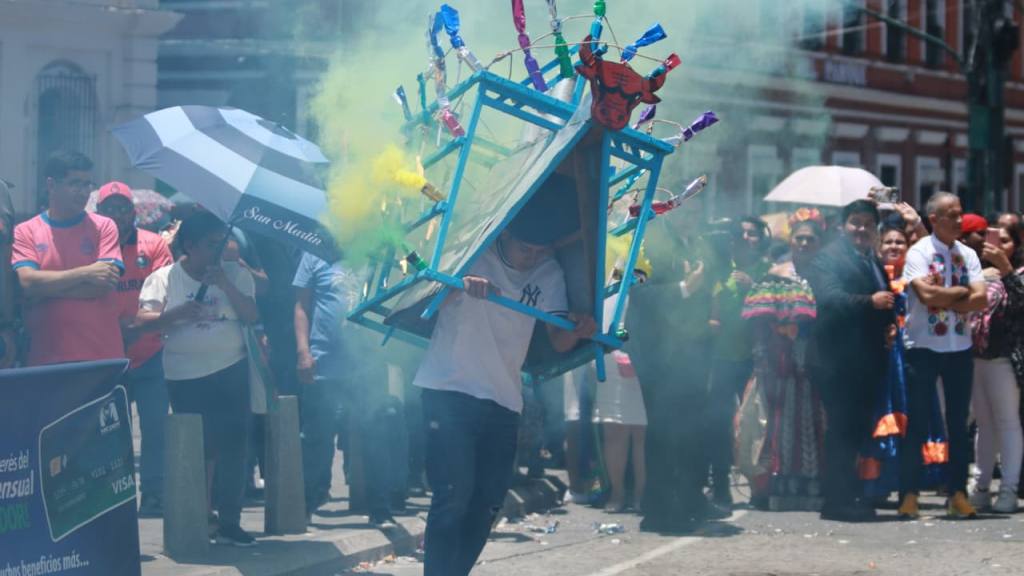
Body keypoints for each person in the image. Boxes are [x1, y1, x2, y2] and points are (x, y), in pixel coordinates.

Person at [414, 173, 596, 576]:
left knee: (488, 503)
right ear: (507, 231)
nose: (531, 257)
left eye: (539, 250)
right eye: (524, 247)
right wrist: (457, 284)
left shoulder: (549, 273)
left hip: (504, 400)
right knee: (452, 496)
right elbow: (422, 294)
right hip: (449, 389)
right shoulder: (472, 250)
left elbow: (558, 339)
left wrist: (578, 331)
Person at [137, 211, 259, 546]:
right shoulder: (164, 278)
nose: (220, 251)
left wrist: (225, 284)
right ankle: (201, 514)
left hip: (231, 368)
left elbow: (251, 314)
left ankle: (231, 520)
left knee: (234, 445)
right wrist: (175, 315)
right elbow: (143, 321)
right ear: (189, 246)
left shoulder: (235, 273)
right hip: (185, 375)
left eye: (223, 243)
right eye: (211, 244)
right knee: (200, 448)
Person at [897, 193, 987, 519]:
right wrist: (961, 293)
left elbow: (979, 300)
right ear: (933, 218)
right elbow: (925, 293)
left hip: (959, 348)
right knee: (918, 422)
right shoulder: (919, 252)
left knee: (958, 424)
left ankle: (958, 493)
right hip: (923, 347)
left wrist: (948, 297)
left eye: (961, 214)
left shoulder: (968, 255)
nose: (959, 221)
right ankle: (909, 493)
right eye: (952, 215)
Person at [805, 199, 894, 522]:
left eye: (869, 224)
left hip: (865, 361)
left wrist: (888, 323)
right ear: (843, 226)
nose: (862, 229)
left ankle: (850, 493)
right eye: (856, 222)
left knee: (856, 431)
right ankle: (837, 501)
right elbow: (829, 299)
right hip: (836, 362)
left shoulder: (871, 259)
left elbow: (884, 302)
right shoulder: (828, 259)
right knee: (841, 431)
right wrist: (870, 301)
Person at [95, 181, 174, 517]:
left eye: (122, 208)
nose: (116, 215)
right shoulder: (91, 246)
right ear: (99, 213)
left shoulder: (153, 244)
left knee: (156, 430)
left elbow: (166, 289)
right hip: (108, 354)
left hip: (152, 352)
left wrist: (139, 327)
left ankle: (154, 494)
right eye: (109, 208)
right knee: (113, 433)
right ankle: (117, 497)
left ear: (132, 211)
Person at [741, 210, 825, 510]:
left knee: (813, 421)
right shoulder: (777, 274)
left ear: (819, 242)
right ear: (791, 240)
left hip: (815, 362)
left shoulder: (826, 273)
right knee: (776, 423)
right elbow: (757, 321)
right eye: (799, 238)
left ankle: (812, 486)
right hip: (780, 361)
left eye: (810, 239)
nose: (804, 244)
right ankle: (776, 485)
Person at [11, 151, 124, 366]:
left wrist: (44, 291)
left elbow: (104, 285)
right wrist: (86, 273)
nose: (83, 192)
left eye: (87, 184)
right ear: (51, 185)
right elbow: (27, 283)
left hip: (101, 355)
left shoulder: (104, 226)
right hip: (46, 357)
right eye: (75, 184)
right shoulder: (25, 231)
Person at [707, 216, 771, 506]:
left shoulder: (767, 270)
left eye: (752, 234)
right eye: (740, 233)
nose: (746, 238)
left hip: (754, 360)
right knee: (719, 424)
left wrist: (755, 286)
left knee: (755, 425)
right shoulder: (719, 268)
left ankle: (760, 485)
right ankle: (720, 486)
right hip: (720, 358)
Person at [966, 224, 1024, 513]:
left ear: (1016, 244)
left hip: (1005, 359)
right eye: (994, 240)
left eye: (1005, 240)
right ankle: (981, 485)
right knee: (984, 425)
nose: (997, 245)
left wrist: (1007, 270)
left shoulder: (1019, 275)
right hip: (977, 357)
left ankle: (1009, 489)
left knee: (1008, 422)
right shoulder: (981, 274)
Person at [293, 251, 352, 520]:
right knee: (317, 435)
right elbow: (301, 307)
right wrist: (304, 351)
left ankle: (379, 507)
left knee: (372, 430)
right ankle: (309, 499)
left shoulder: (380, 247)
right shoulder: (314, 254)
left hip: (365, 360)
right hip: (323, 358)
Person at [593, 264, 650, 513]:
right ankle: (617, 492)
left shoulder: (646, 278)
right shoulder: (610, 277)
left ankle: (641, 495)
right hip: (610, 359)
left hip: (642, 360)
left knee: (641, 434)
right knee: (614, 430)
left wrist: (634, 354)